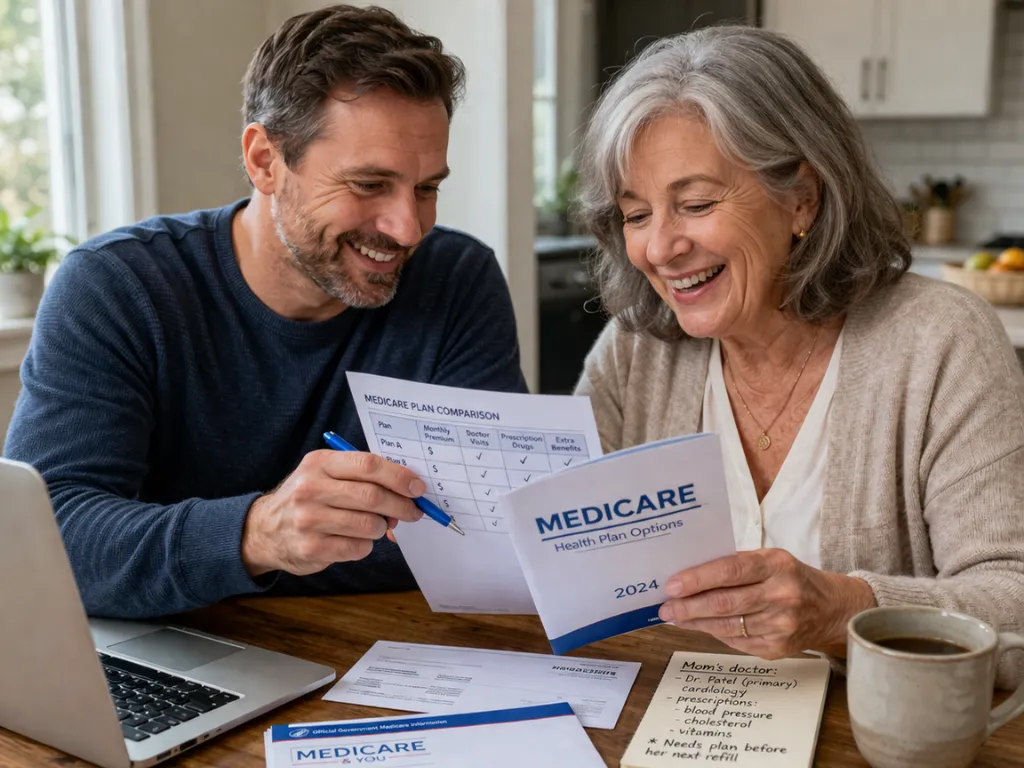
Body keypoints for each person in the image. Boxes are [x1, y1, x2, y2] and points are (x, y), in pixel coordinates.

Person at [3, 5, 527, 620]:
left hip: (384, 650)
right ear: (264, 160)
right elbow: (47, 544)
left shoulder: (458, 279)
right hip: (181, 659)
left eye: (427, 187)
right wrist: (257, 535)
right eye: (367, 185)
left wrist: (188, 560)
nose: (407, 227)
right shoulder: (116, 287)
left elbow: (488, 536)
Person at [574, 26, 1024, 687]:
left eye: (694, 204)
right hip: (670, 726)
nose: (660, 248)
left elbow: (1014, 604)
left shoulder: (941, 341)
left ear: (802, 199)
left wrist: (846, 611)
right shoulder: (634, 350)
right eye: (636, 214)